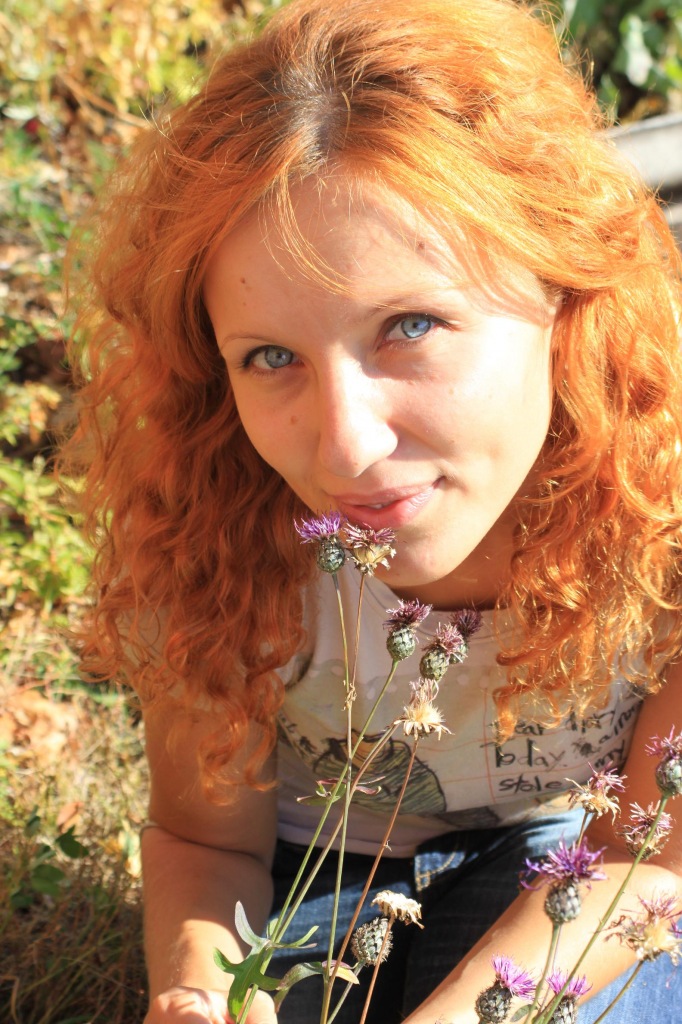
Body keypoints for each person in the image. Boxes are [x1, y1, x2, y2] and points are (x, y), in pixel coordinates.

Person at [62, 0, 682, 1021]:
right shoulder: (214, 518)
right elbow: (206, 841)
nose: (344, 446)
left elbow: (647, 857)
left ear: (566, 288)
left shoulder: (663, 518)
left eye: (410, 326)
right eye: (271, 356)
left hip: (577, 873)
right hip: (313, 882)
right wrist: (201, 989)